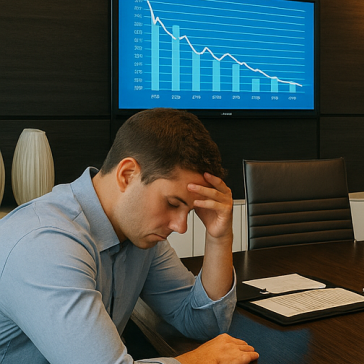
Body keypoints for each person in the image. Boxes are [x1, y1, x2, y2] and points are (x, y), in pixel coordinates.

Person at [0, 108, 257, 364]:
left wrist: (219, 237)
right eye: (171, 203)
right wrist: (199, 361)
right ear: (127, 175)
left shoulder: (140, 236)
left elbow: (203, 323)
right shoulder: (45, 243)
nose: (180, 227)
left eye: (188, 211)